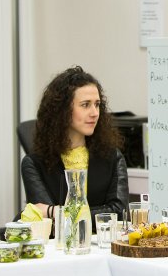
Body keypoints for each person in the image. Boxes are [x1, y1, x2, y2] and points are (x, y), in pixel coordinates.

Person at [21, 66, 129, 223]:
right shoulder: (34, 164)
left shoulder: (112, 157)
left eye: (97, 104)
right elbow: (48, 223)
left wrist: (55, 211)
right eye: (85, 105)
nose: (94, 113)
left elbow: (119, 213)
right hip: (57, 247)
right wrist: (98, 213)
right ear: (62, 110)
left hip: (101, 246)